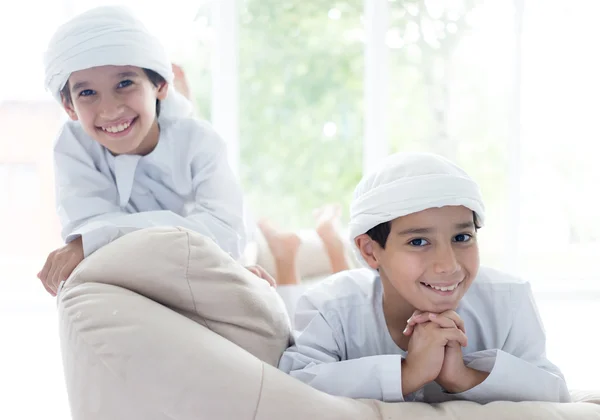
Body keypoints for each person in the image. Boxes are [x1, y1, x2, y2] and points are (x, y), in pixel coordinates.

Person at [278, 152, 570, 404]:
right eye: (418, 242)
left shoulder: (509, 299)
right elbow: (292, 388)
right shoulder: (330, 307)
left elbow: (553, 392)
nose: (448, 265)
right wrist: (408, 373)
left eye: (462, 237)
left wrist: (465, 377)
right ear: (370, 251)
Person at [38, 6, 256, 295]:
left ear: (161, 84)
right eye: (87, 93)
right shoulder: (73, 144)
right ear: (69, 107)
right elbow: (88, 229)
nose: (110, 109)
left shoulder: (201, 142)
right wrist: (94, 239)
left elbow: (226, 234)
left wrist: (99, 237)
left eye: (124, 83)